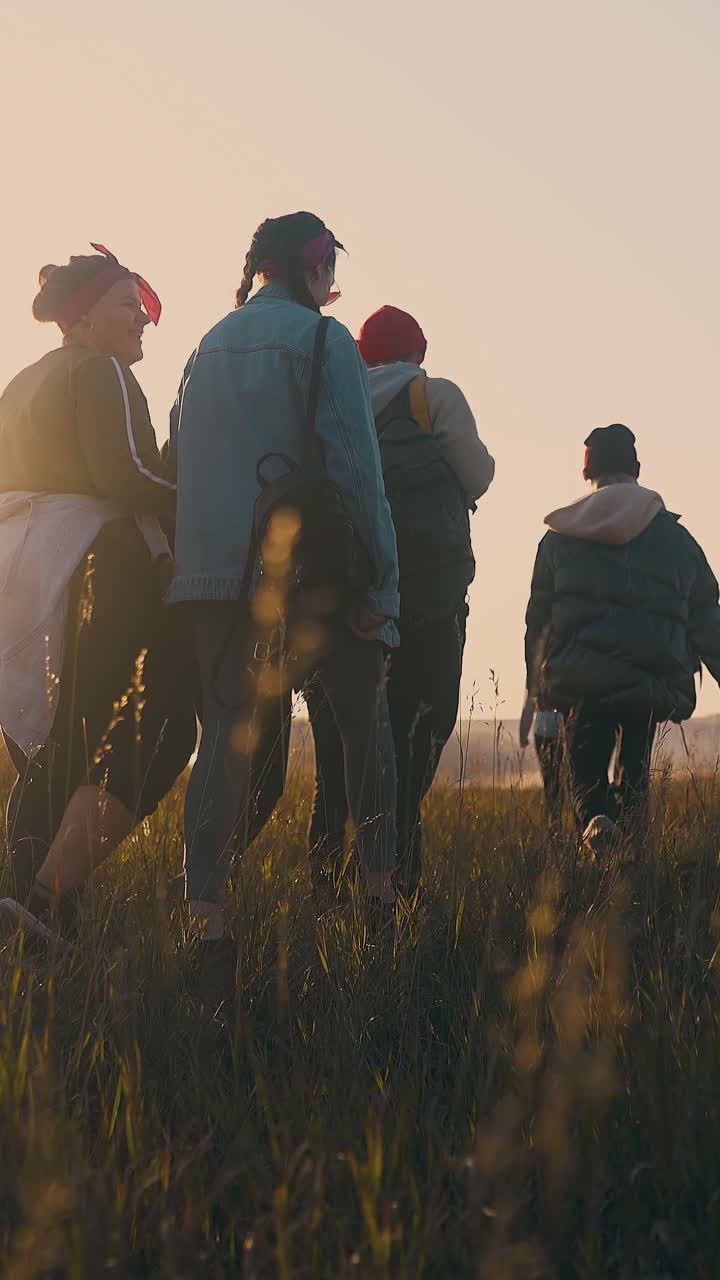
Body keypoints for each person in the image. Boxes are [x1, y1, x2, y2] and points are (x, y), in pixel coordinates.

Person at [168, 212, 400, 942]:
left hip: (208, 577)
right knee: (366, 731)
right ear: (313, 262)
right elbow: (357, 471)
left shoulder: (204, 346)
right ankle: (379, 906)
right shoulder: (326, 340)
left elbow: (177, 457)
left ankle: (206, 922)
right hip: (312, 573)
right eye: (331, 264)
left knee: (224, 742)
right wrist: (383, 585)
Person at [0, 246, 196, 935]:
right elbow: (129, 475)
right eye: (126, 305)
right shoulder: (102, 371)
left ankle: (23, 904)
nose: (142, 318)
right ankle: (52, 898)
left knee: (59, 739)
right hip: (95, 563)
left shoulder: (23, 380)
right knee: (164, 726)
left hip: (20, 568)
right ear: (83, 320)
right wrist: (214, 502)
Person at [306, 305, 495, 897]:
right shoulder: (432, 395)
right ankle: (396, 874)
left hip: (341, 599)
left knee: (338, 754)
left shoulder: (335, 398)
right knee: (417, 736)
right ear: (419, 351)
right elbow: (479, 474)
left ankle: (327, 883)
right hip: (426, 603)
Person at [524, 423, 720, 860]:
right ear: (637, 469)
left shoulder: (558, 540)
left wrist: (536, 686)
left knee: (585, 770)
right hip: (651, 683)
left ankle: (595, 822)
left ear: (587, 473)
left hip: (581, 685)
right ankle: (634, 867)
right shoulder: (676, 539)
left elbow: (538, 621)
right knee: (636, 769)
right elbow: (708, 615)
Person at [519, 694, 565, 827]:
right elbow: (530, 699)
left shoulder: (537, 674)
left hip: (546, 731)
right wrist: (523, 731)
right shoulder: (538, 675)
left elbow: (529, 700)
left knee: (552, 781)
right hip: (555, 730)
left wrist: (523, 732)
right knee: (555, 781)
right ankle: (554, 824)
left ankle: (554, 823)